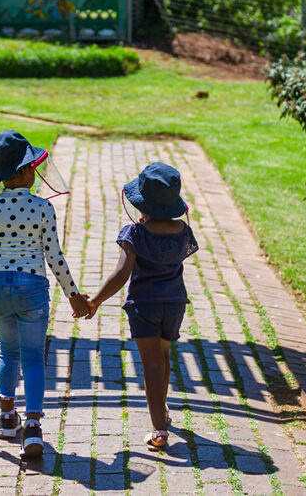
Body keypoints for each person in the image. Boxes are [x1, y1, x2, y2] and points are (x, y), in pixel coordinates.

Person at [0, 130, 91, 458]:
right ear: (20, 172)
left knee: (8, 352)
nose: (36, 171)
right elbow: (54, 256)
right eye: (31, 167)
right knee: (32, 357)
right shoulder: (42, 208)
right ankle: (32, 427)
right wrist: (73, 294)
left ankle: (5, 418)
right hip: (32, 288)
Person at [85, 162, 198, 451]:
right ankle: (162, 410)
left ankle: (159, 429)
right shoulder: (182, 230)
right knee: (163, 354)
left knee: (150, 364)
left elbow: (122, 274)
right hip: (174, 304)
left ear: (142, 203)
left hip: (144, 305)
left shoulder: (134, 234)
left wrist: (95, 300)